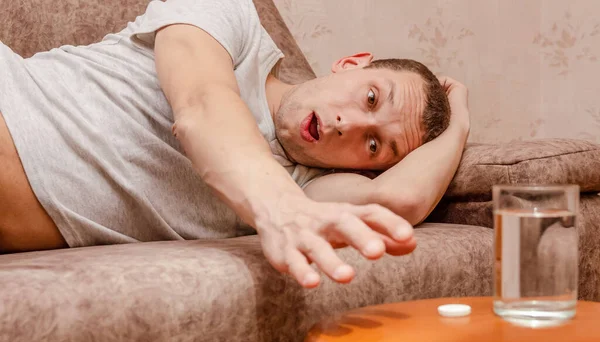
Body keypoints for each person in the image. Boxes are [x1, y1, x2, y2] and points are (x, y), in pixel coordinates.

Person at [0, 0, 470, 288]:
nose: (351, 124)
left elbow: (399, 200)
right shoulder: (232, 17)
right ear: (350, 63)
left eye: (374, 146)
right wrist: (276, 205)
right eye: (370, 97)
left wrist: (461, 120)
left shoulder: (304, 188)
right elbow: (202, 102)